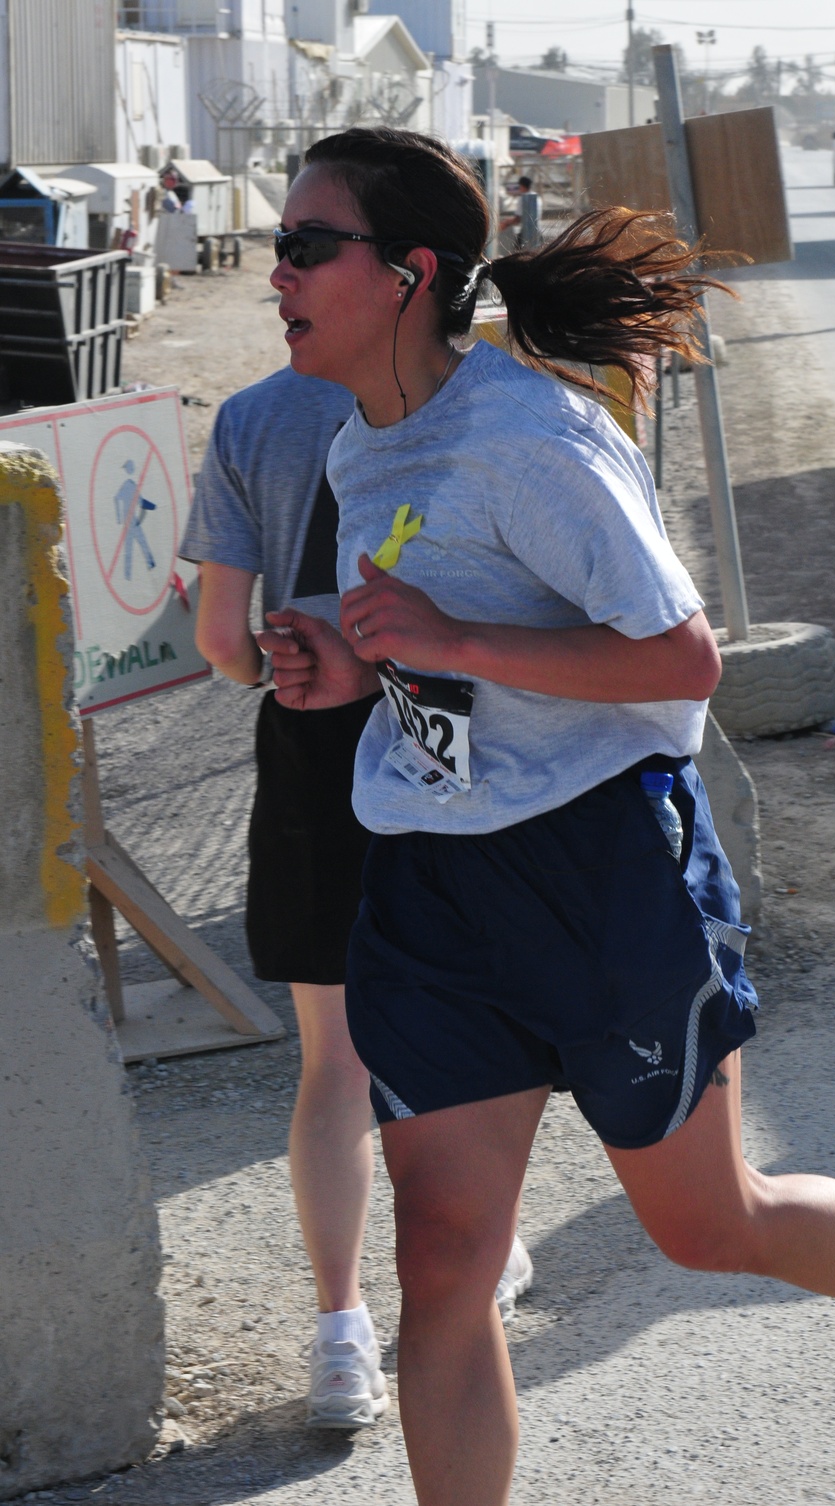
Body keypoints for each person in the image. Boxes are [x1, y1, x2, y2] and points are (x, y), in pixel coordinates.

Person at [261, 126, 835, 1504]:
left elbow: (681, 662)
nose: (277, 273)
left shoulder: (537, 439)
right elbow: (442, 645)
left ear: (410, 274)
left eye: (307, 245)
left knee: (714, 1225)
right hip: (432, 885)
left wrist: (453, 638)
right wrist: (357, 664)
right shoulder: (358, 442)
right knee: (440, 1258)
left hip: (602, 868)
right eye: (276, 246)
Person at [180, 366, 533, 1430]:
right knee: (476, 1024)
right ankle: (483, 1250)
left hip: (312, 737)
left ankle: (342, 1335)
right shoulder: (480, 389)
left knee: (334, 1059)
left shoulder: (253, 417)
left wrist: (270, 667)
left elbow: (220, 642)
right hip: (457, 720)